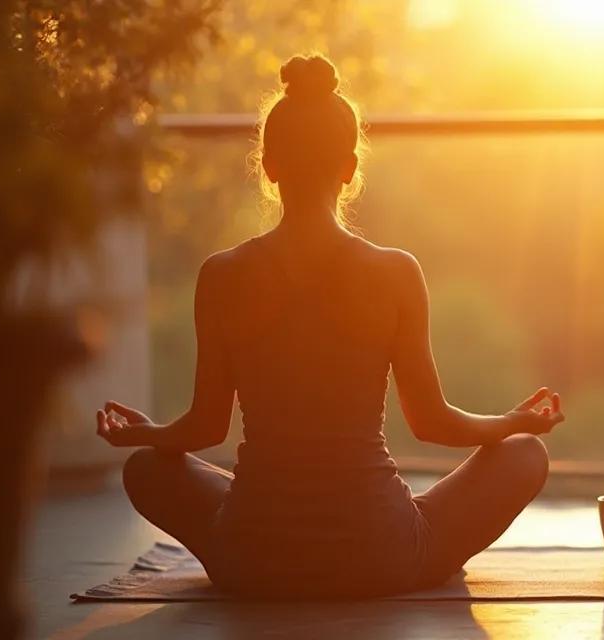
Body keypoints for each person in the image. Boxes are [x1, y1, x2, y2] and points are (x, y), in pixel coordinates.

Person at [94, 54, 563, 598]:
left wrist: (143, 434)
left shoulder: (221, 276)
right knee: (526, 453)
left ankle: (260, 538)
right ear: (349, 167)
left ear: (268, 166)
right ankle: (409, 553)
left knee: (146, 469)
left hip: (252, 556)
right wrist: (511, 422)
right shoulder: (395, 272)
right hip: (379, 553)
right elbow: (431, 423)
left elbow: (204, 428)